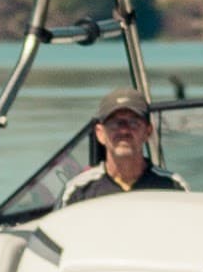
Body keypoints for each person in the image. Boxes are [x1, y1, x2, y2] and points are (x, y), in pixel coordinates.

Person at [58, 86, 188, 207]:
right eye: (115, 123)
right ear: (100, 133)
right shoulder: (78, 192)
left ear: (148, 132)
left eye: (133, 123)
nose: (124, 131)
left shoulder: (173, 187)